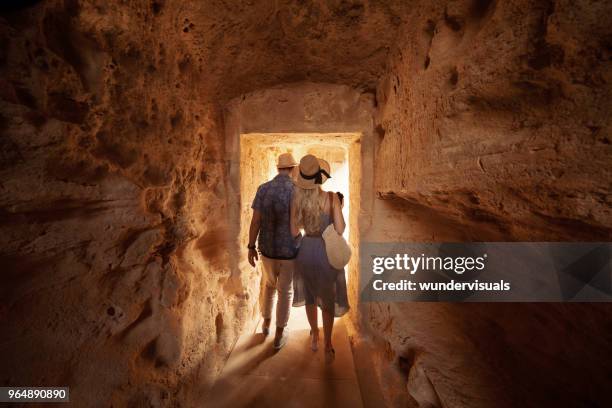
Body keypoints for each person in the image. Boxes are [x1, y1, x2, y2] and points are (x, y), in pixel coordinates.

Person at [290, 154, 349, 364]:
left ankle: (314, 334)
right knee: (328, 298)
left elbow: (294, 231)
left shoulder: (297, 200)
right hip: (326, 252)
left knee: (309, 296)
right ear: (320, 177)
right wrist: (337, 210)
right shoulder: (332, 198)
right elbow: (340, 230)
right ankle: (328, 345)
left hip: (306, 249)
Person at [247, 152, 298, 350]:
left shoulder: (263, 189)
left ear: (278, 168)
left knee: (268, 286)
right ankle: (279, 334)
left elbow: (255, 221)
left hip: (267, 250)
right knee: (285, 291)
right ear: (292, 169)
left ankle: (266, 324)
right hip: (289, 251)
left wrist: (251, 246)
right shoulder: (297, 190)